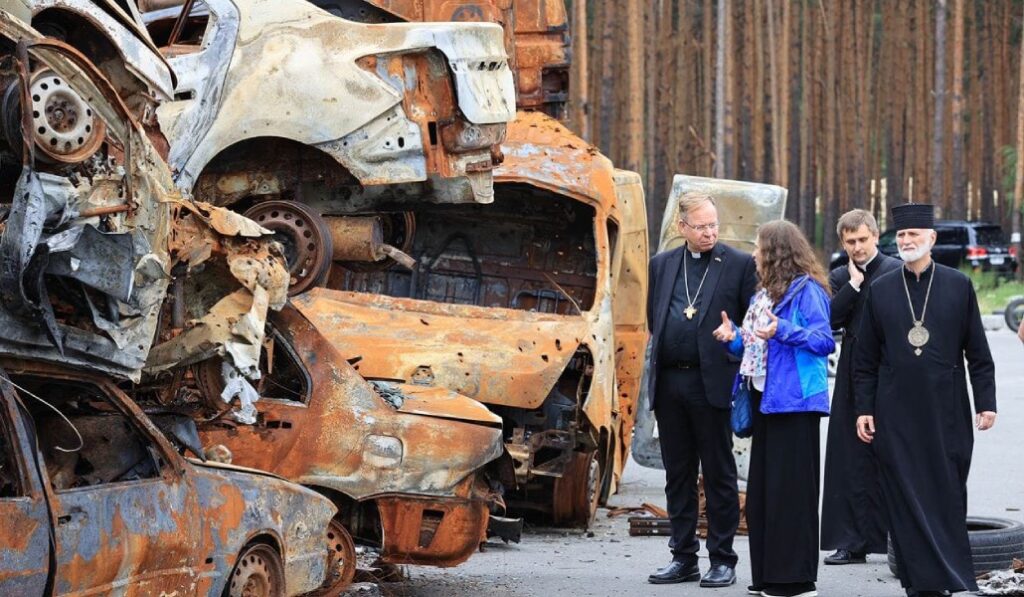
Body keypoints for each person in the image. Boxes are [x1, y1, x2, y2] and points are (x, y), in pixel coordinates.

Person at [854, 203, 997, 597]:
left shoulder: (957, 285)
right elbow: (864, 360)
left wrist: (986, 401)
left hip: (946, 410)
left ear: (931, 239)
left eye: (914, 235)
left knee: (947, 491)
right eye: (901, 235)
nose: (906, 241)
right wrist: (864, 409)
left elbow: (978, 353)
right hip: (894, 411)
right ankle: (919, 583)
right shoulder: (881, 288)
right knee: (902, 495)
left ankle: (952, 578)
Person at [712, 220, 834, 597]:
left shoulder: (807, 291)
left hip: (795, 404)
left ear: (776, 253)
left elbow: (824, 340)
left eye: (759, 248)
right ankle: (767, 575)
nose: (753, 255)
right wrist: (733, 339)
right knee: (764, 496)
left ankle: (795, 581)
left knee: (791, 495)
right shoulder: (764, 294)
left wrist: (782, 329)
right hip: (765, 401)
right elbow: (754, 349)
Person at [645, 191, 757, 588]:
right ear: (682, 228)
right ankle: (683, 557)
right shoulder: (662, 265)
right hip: (670, 382)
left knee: (718, 473)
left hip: (712, 383)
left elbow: (754, 324)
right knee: (677, 474)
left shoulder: (739, 264)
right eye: (701, 226)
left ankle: (722, 559)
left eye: (713, 225)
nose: (709, 232)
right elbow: (653, 320)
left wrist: (735, 335)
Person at [820, 209, 902, 565]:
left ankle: (896, 540)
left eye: (862, 240)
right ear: (843, 242)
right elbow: (829, 319)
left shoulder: (897, 270)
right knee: (849, 459)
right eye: (850, 242)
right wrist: (853, 285)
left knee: (894, 456)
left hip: (891, 371)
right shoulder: (840, 275)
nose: (857, 247)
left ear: (875, 235)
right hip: (853, 372)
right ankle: (850, 541)